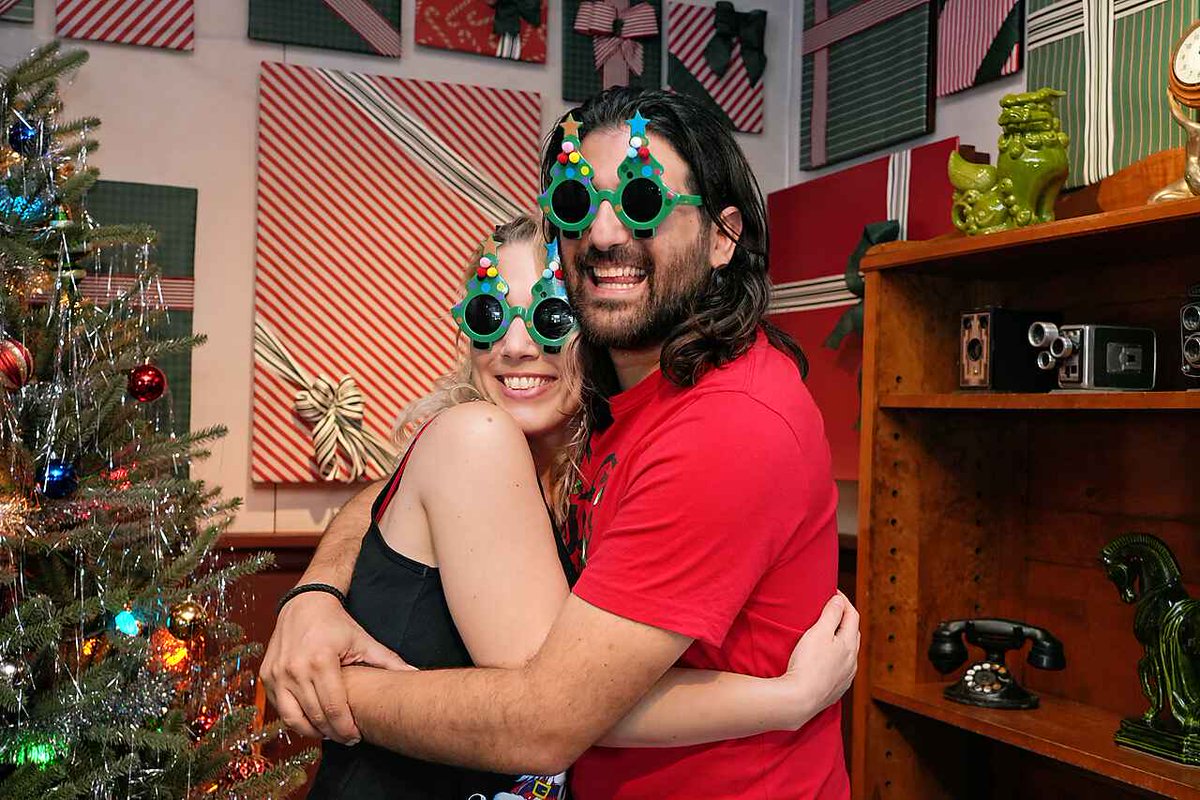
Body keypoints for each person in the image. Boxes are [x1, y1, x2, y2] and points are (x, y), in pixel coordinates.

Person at [263, 87, 856, 799]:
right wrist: (314, 593)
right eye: (576, 205)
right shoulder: (553, 422)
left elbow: (546, 716)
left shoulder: (710, 424)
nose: (603, 234)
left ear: (723, 237)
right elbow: (399, 491)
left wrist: (331, 688)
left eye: (642, 198)